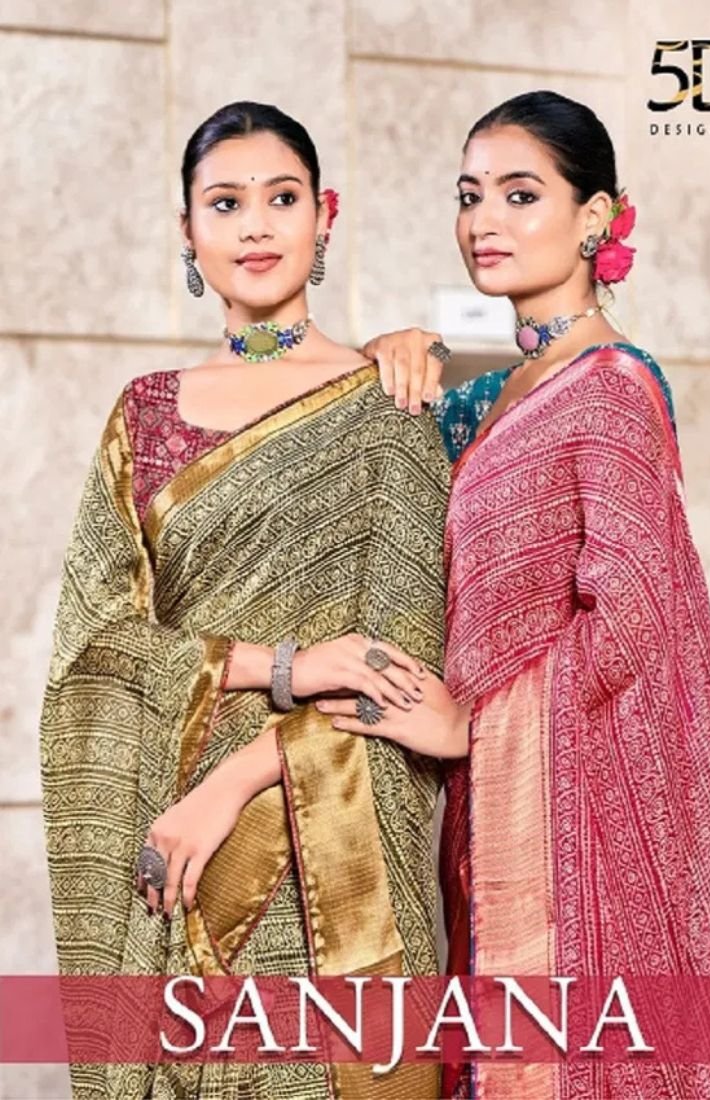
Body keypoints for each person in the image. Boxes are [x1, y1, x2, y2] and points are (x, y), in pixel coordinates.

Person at [320, 91, 710, 1098]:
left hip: (582, 835)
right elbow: (353, 457)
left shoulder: (609, 385)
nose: (484, 220)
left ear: (595, 216)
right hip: (496, 821)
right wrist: (382, 354)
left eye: (520, 194)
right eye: (469, 195)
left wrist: (471, 722)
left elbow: (632, 616)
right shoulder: (497, 395)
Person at [38, 100, 453, 1100]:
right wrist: (282, 665)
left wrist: (228, 790)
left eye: (282, 198)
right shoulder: (143, 414)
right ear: (187, 230)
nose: (256, 226)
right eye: (225, 203)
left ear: (325, 215)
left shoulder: (386, 408)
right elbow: (95, 649)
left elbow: (399, 678)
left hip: (322, 848)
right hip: (169, 843)